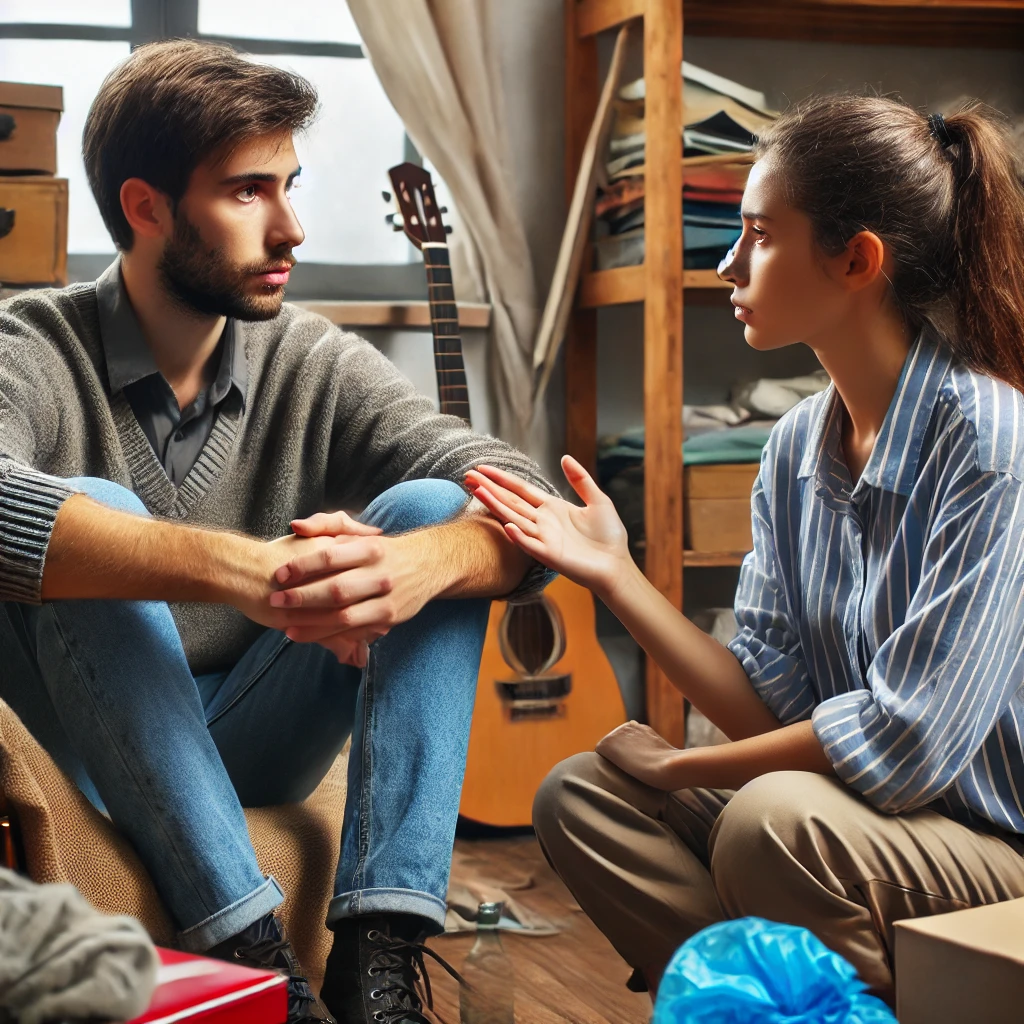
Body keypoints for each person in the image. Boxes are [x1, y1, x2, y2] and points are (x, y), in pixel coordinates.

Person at [0, 39, 555, 1024]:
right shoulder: (34, 345)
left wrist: (409, 566)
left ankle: (378, 961)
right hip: (80, 743)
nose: (291, 226)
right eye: (249, 191)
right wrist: (252, 572)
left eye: (289, 185)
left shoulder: (313, 361)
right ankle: (259, 965)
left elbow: (516, 489)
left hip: (253, 731)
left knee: (432, 512)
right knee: (95, 510)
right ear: (147, 207)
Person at [465, 94, 1024, 1006]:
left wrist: (683, 767)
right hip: (852, 822)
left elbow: (908, 743)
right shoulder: (797, 443)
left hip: (989, 845)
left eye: (759, 235)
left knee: (767, 823)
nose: (726, 262)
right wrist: (615, 573)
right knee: (581, 796)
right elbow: (765, 708)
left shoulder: (993, 442)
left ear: (857, 260)